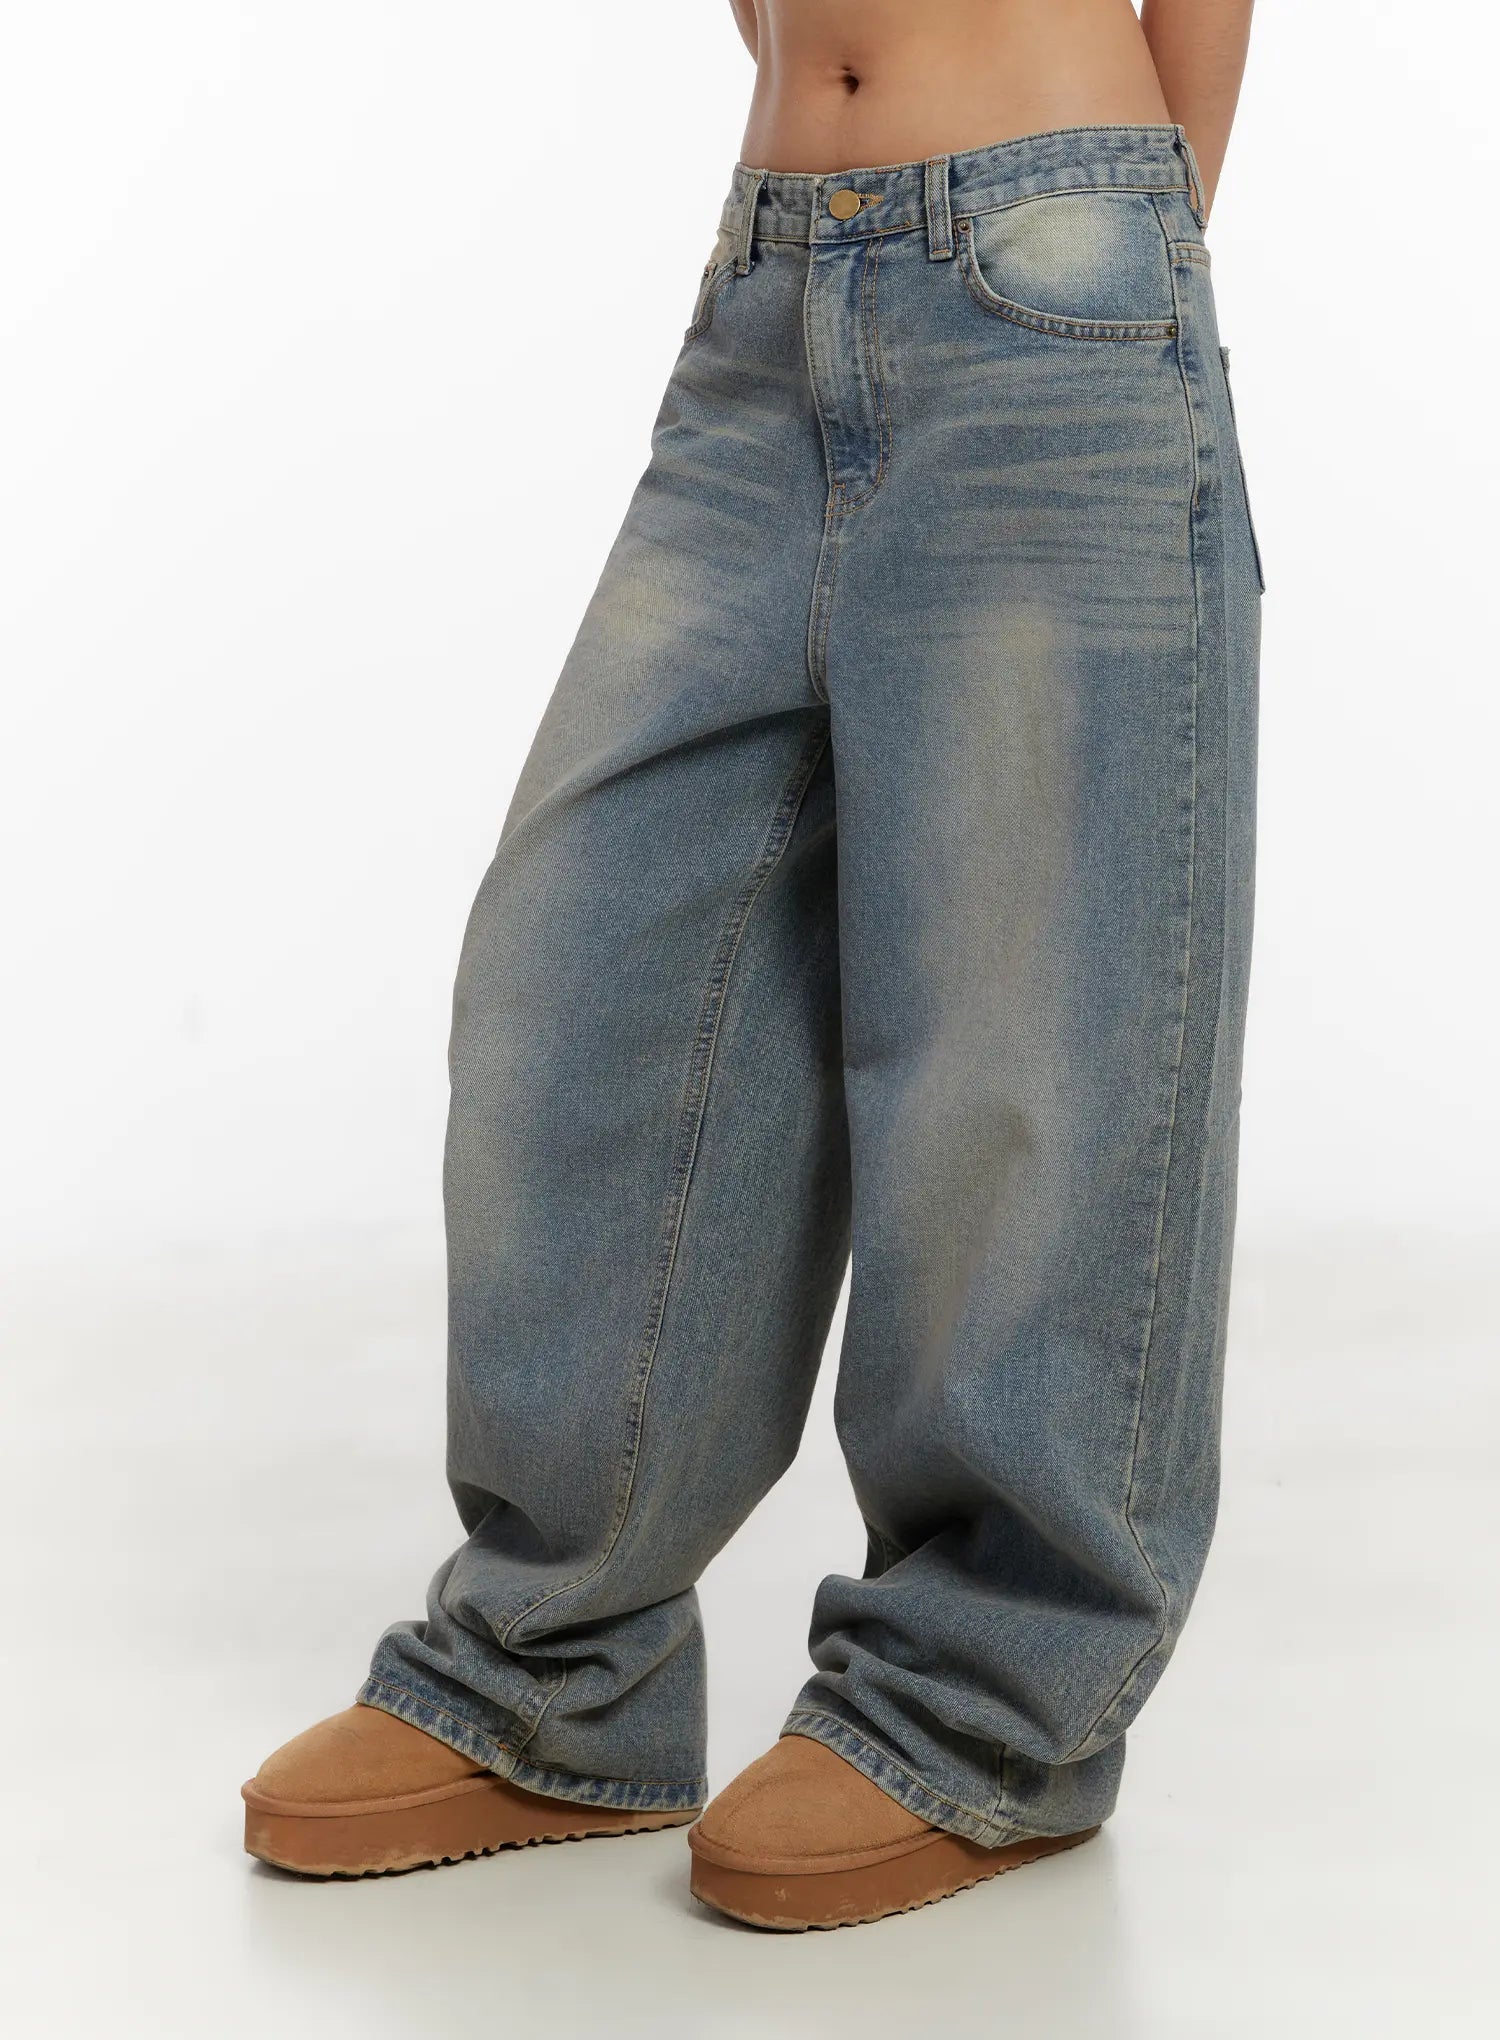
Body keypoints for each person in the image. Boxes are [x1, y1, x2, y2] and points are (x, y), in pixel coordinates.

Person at [242, 0, 1261, 1931]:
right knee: (582, 973)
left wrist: (1137, 249)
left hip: (1057, 267)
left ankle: (982, 1709)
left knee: (1018, 1032)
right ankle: (557, 1672)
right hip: (770, 290)